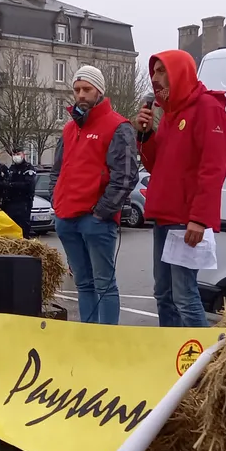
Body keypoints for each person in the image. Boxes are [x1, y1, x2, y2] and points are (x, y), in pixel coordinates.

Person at [134, 50, 226, 328]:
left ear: (180, 73)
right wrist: (145, 135)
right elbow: (157, 165)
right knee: (163, 294)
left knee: (185, 296)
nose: (155, 78)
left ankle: (200, 363)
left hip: (185, 221)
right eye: (154, 72)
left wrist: (199, 218)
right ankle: (171, 355)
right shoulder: (168, 114)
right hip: (164, 218)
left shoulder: (207, 109)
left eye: (162, 71)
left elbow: (213, 170)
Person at [48, 65, 138, 325]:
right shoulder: (68, 129)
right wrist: (58, 200)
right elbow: (58, 169)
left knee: (104, 284)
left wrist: (101, 212)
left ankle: (106, 340)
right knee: (83, 283)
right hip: (67, 218)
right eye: (77, 90)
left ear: (99, 91)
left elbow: (126, 175)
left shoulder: (118, 126)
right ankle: (88, 336)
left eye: (86, 89)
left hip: (95, 219)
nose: (81, 95)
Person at [3, 147, 37, 238]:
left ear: (23, 155)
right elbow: (6, 182)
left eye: (18, 154)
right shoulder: (12, 168)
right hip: (11, 201)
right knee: (12, 225)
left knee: (23, 225)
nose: (16, 156)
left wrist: (11, 185)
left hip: (24, 201)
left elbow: (28, 185)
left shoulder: (28, 168)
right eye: (14, 155)